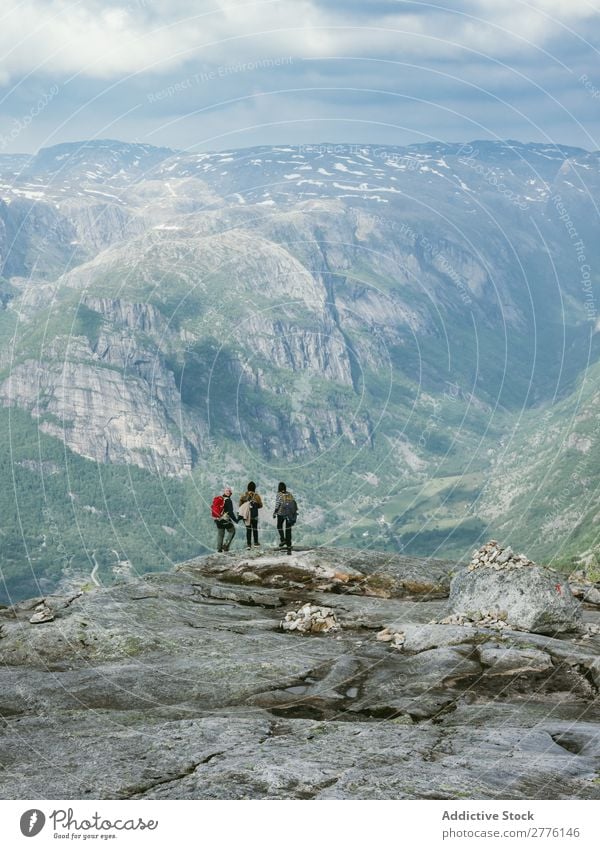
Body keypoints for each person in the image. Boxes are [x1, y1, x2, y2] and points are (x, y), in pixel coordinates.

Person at [273, 481, 297, 555]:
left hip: (281, 513)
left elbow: (277, 505)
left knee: (279, 526)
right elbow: (294, 504)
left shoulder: (279, 494)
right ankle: (289, 547)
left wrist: (274, 513)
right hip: (290, 514)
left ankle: (283, 539)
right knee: (288, 530)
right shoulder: (289, 494)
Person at [239, 481, 263, 549]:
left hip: (246, 516)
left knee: (248, 529)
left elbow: (240, 505)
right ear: (254, 488)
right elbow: (261, 505)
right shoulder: (256, 496)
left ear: (248, 488)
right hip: (254, 515)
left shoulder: (244, 495)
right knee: (255, 528)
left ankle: (248, 545)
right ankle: (256, 543)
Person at [215, 486, 238, 552]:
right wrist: (235, 520)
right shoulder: (228, 500)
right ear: (230, 493)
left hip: (217, 519)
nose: (228, 492)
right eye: (228, 491)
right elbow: (230, 512)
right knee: (232, 531)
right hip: (225, 519)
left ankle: (219, 549)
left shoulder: (220, 499)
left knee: (220, 534)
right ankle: (225, 545)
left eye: (229, 491)